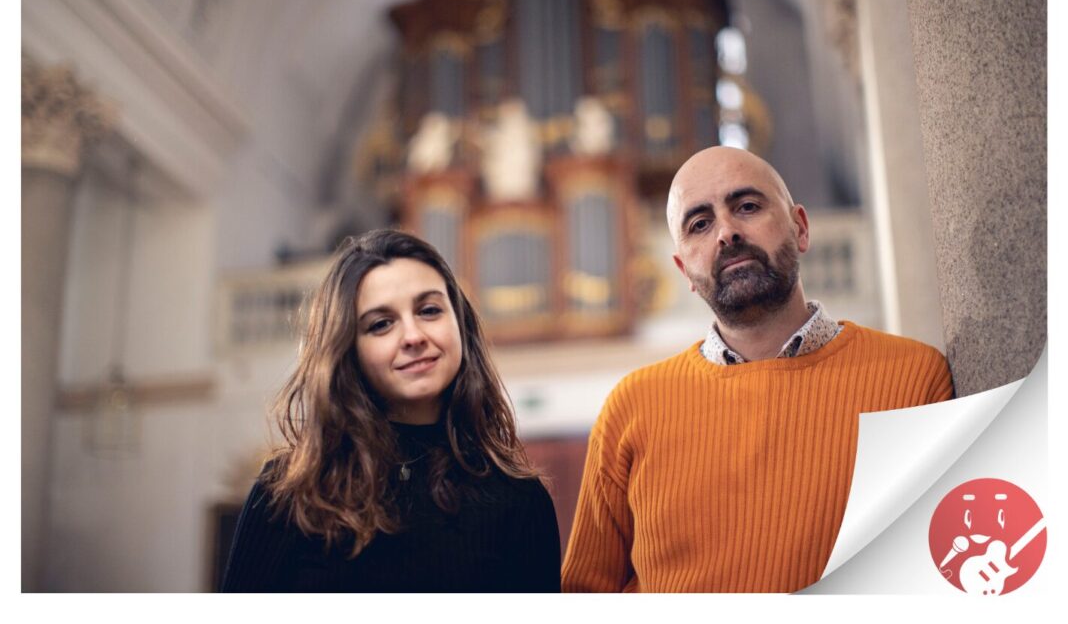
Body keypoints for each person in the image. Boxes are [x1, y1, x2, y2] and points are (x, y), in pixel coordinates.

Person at [561, 147, 954, 593]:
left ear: (800, 228)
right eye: (700, 224)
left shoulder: (913, 379)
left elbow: (942, 579)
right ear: (684, 269)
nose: (726, 233)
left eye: (747, 207)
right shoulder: (631, 408)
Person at [222, 229, 560, 592]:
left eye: (429, 310)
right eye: (381, 324)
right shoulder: (287, 492)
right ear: (348, 350)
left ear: (460, 325)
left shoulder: (521, 499)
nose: (413, 336)